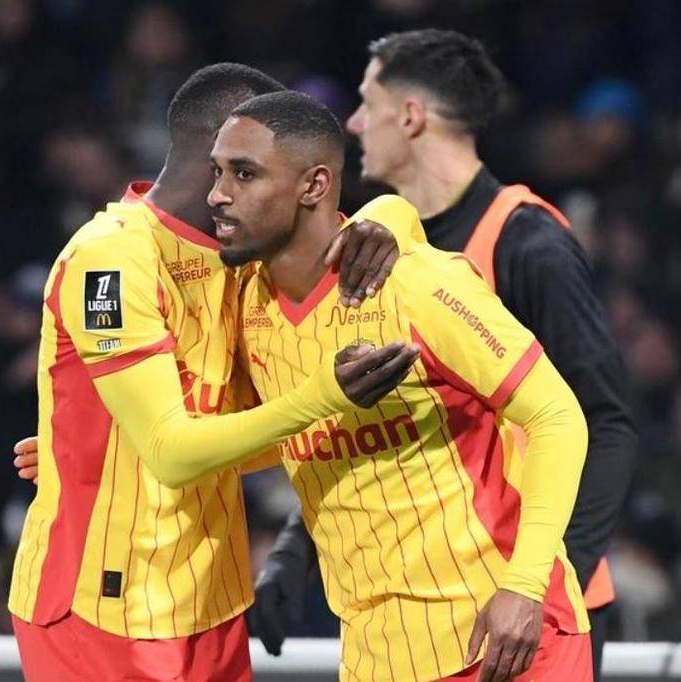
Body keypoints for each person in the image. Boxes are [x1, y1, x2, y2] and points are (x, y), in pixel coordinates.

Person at [7, 63, 416, 682]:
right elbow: (173, 453)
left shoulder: (244, 256)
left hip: (211, 600)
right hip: (106, 606)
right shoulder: (110, 259)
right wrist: (326, 396)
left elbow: (250, 428)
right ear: (223, 155)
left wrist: (389, 218)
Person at [253, 29, 637, 678]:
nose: (354, 123)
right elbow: (387, 433)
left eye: (367, 103)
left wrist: (538, 582)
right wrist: (298, 548)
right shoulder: (376, 249)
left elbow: (604, 422)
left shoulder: (526, 242)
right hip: (429, 614)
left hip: (525, 610)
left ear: (410, 117)